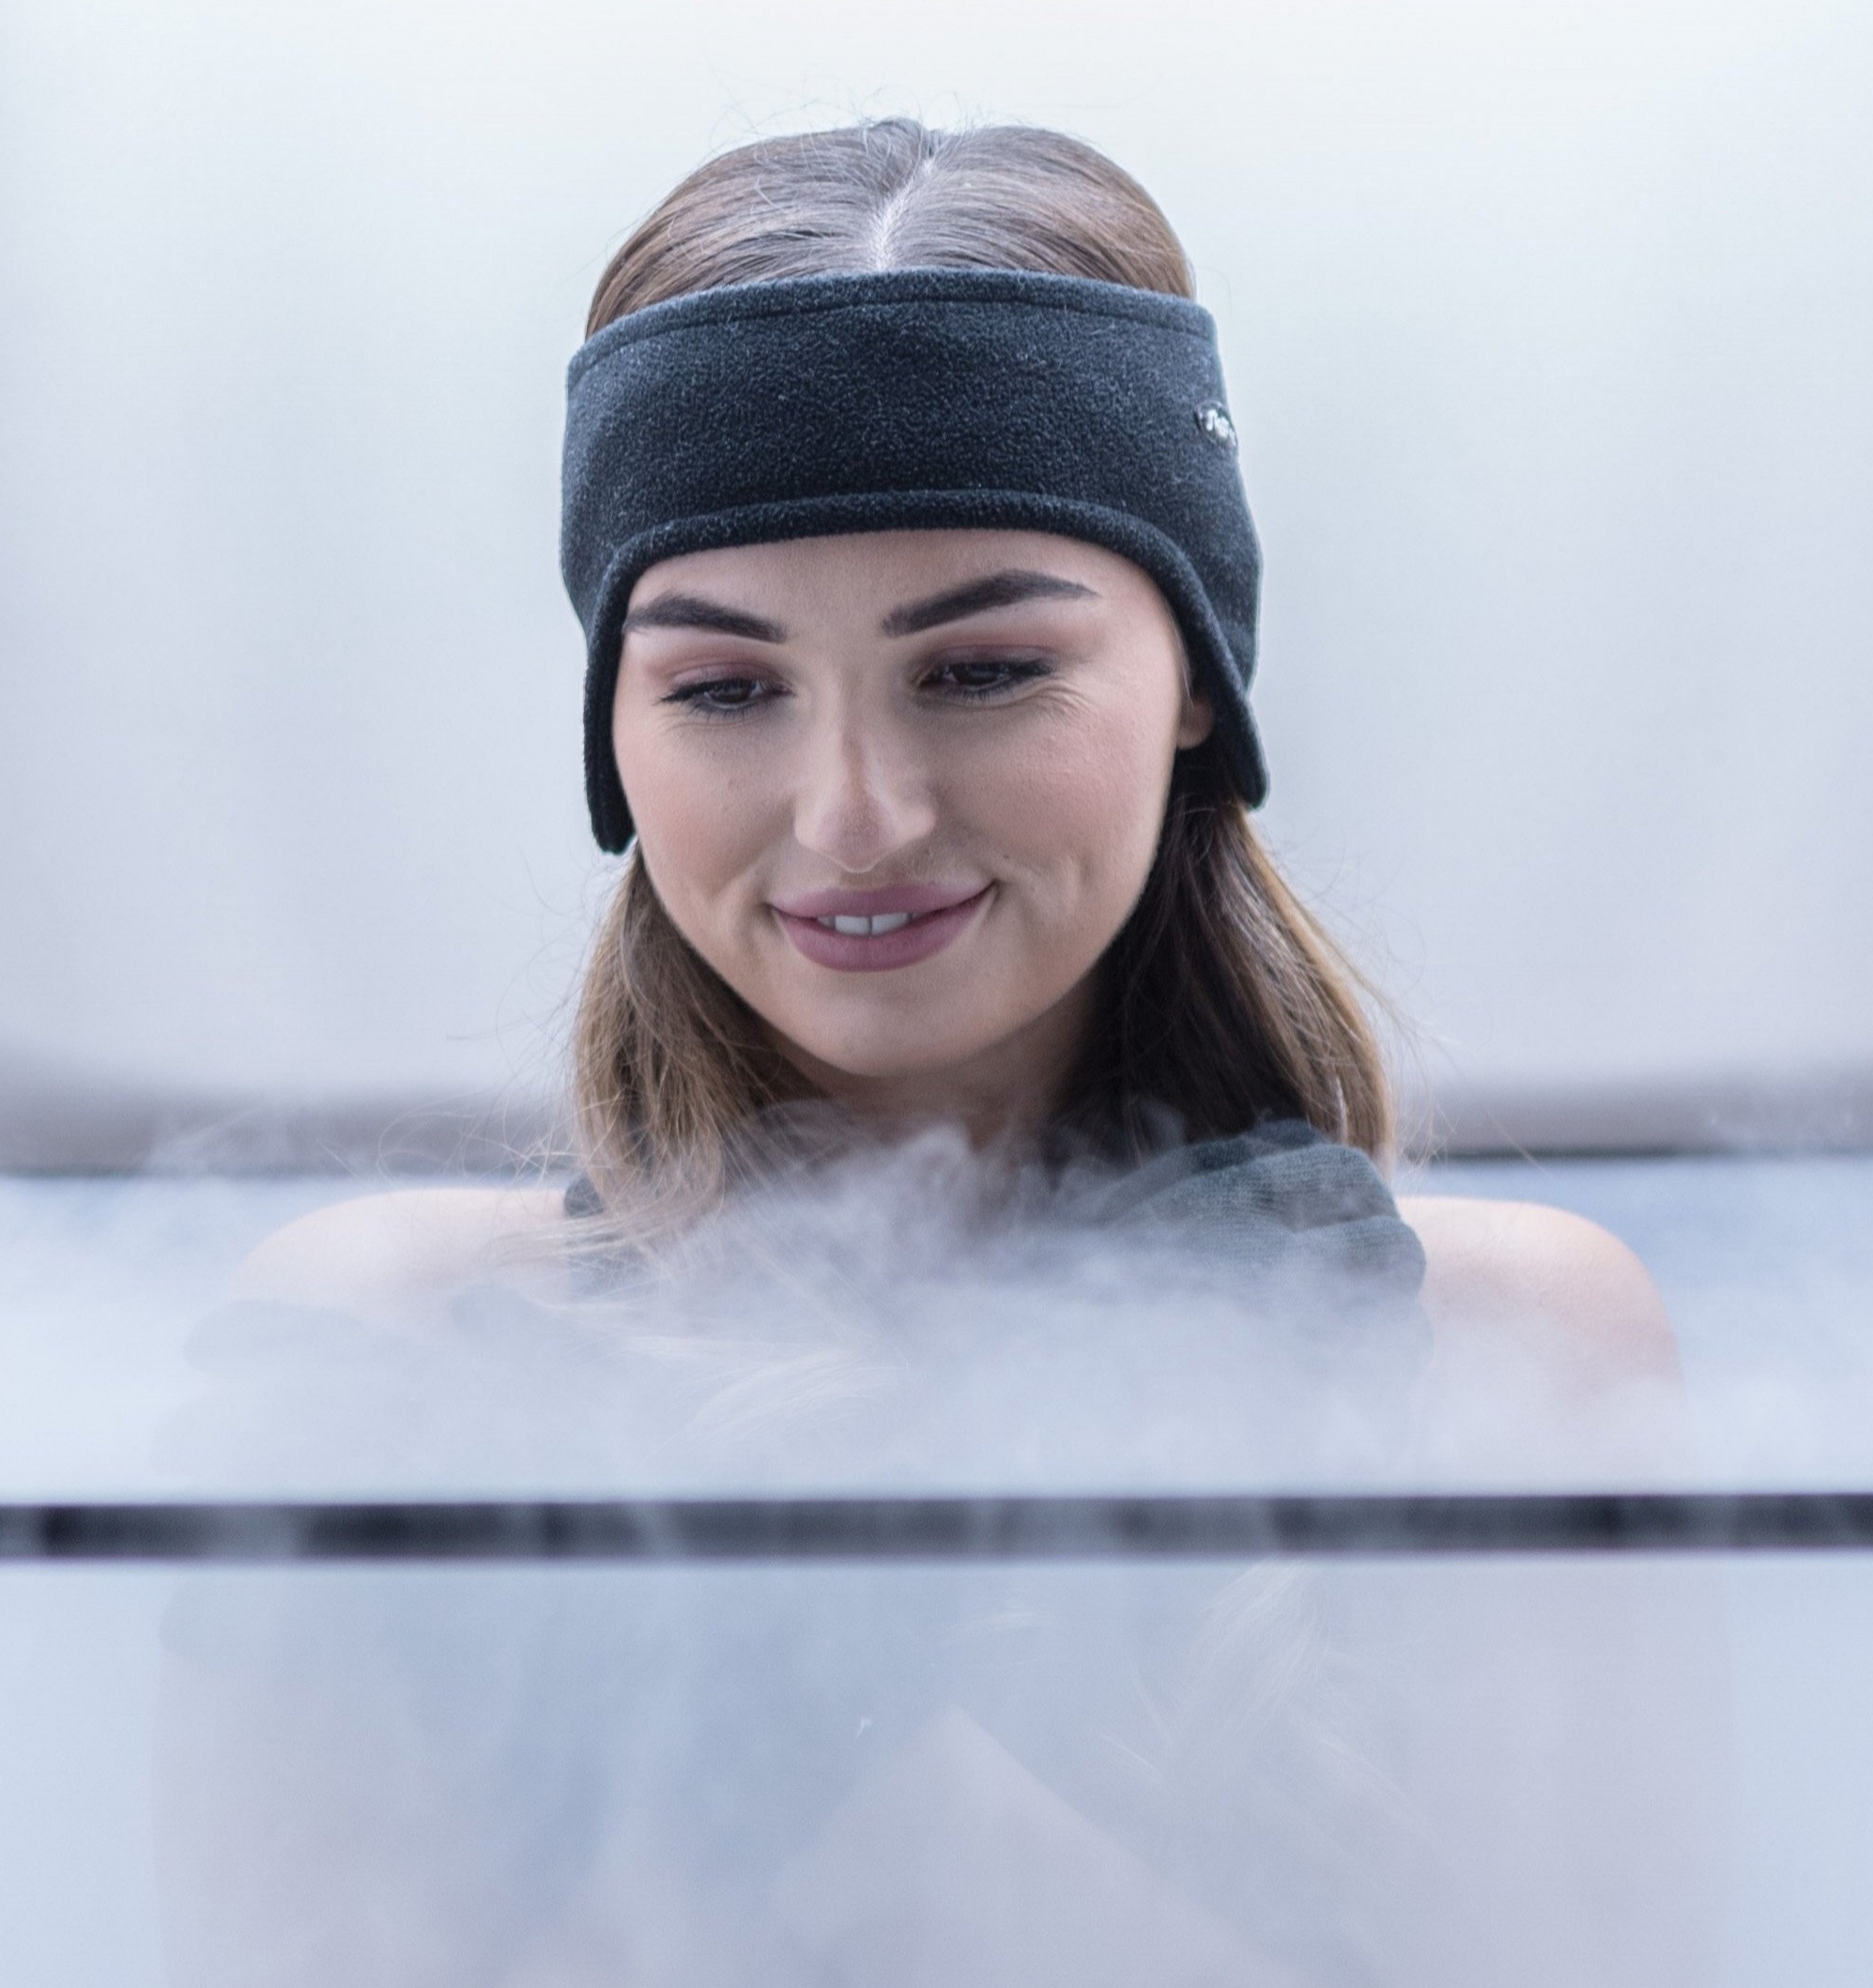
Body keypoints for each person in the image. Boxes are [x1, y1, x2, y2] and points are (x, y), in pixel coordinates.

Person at [238, 118, 1678, 1423]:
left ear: (1195, 682)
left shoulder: (1507, 1347)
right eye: (726, 688)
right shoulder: (392, 1347)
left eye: (982, 672)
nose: (857, 817)